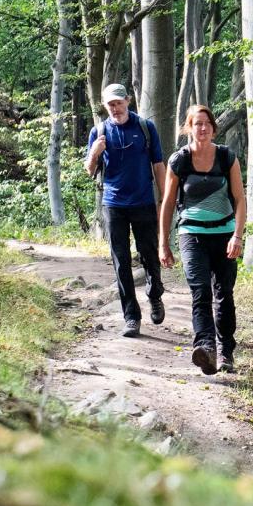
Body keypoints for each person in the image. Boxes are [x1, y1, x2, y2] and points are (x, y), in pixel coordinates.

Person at [158, 104, 246, 375]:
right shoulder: (179, 161)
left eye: (207, 123)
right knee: (200, 292)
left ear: (213, 128)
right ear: (189, 128)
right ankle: (205, 348)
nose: (203, 128)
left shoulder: (227, 157)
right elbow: (169, 203)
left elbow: (240, 199)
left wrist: (237, 236)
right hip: (192, 235)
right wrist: (163, 242)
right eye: (197, 123)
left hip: (224, 234)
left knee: (224, 294)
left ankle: (226, 351)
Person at [84, 83, 166, 338]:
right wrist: (95, 153)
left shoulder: (145, 127)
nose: (115, 108)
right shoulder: (99, 131)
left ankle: (154, 294)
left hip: (143, 202)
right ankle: (131, 317)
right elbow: (89, 170)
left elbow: (158, 164)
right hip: (113, 204)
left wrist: (165, 199)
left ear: (128, 101)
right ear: (105, 106)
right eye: (110, 104)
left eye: (119, 103)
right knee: (120, 263)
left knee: (150, 256)